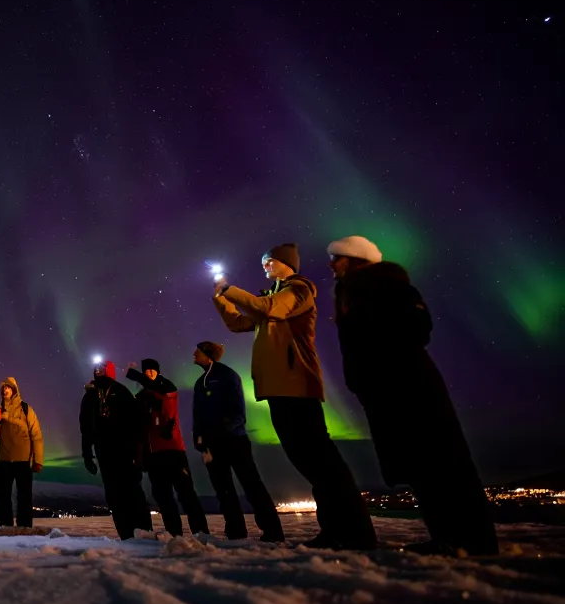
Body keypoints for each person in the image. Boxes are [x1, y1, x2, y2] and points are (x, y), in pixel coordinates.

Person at [327, 235, 498, 556]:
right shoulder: (352, 292)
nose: (331, 264)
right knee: (418, 463)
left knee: (443, 459)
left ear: (352, 259)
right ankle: (446, 536)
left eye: (337, 258)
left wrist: (380, 357)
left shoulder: (386, 284)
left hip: (409, 385)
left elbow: (416, 327)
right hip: (383, 389)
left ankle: (475, 541)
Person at [213, 242, 377, 550]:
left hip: (296, 385)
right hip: (277, 387)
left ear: (287, 263)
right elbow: (239, 323)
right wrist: (220, 297)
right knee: (310, 463)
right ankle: (334, 530)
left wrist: (231, 289)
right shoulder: (272, 297)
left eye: (270, 260)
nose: (265, 266)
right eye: (264, 261)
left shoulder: (299, 290)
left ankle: (356, 533)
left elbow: (271, 309)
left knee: (321, 460)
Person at [192, 341, 284, 541]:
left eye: (197, 351)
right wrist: (198, 439)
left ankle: (273, 531)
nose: (194, 353)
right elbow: (197, 415)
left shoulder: (227, 376)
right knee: (223, 489)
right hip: (211, 445)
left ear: (208, 354)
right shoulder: (200, 383)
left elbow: (238, 414)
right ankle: (235, 531)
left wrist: (222, 430)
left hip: (234, 441)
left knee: (251, 485)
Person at [128, 359, 209, 537]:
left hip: (173, 451)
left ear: (158, 371)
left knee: (186, 494)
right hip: (153, 455)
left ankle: (201, 533)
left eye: (152, 370)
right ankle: (174, 534)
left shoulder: (166, 387)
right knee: (163, 497)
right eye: (146, 370)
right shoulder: (141, 397)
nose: (149, 373)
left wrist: (136, 376)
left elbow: (161, 392)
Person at [80, 360, 155, 539]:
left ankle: (144, 532)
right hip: (104, 453)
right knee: (114, 496)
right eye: (96, 368)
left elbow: (137, 424)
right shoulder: (90, 397)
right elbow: (85, 427)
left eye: (102, 368)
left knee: (132, 491)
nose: (98, 371)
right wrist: (87, 454)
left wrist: (139, 453)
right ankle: (126, 535)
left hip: (125, 451)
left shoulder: (121, 392)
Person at [0, 376, 44, 528]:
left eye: (8, 387)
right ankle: (5, 525)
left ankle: (24, 526)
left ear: (14, 390)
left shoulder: (26, 409)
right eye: (3, 388)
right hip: (4, 459)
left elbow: (36, 435)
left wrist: (38, 460)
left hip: (23, 459)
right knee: (1, 494)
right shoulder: (0, 408)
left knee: (24, 496)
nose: (5, 390)